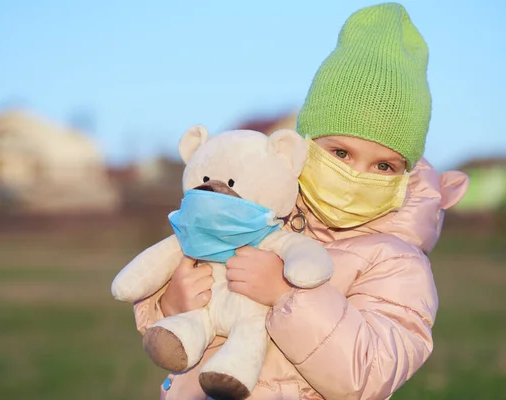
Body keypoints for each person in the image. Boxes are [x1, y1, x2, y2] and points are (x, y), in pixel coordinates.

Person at [133, 3, 469, 399]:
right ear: (306, 146)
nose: (355, 175)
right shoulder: (258, 211)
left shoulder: (397, 263)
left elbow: (369, 373)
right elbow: (181, 289)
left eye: (384, 165)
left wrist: (287, 294)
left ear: (405, 175)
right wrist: (170, 303)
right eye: (340, 153)